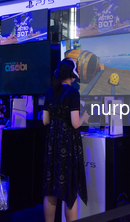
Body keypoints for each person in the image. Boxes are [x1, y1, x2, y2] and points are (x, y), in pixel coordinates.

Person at [43, 58, 89, 222]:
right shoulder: (73, 93)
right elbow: (75, 123)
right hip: (68, 143)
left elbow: (45, 121)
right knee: (69, 188)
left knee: (50, 188)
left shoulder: (50, 91)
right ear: (72, 74)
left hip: (52, 144)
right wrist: (84, 117)